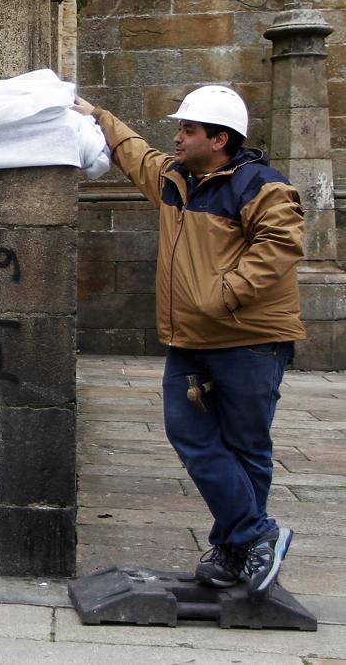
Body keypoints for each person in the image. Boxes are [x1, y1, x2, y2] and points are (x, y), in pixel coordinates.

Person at [73, 86, 304, 601]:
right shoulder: (176, 180)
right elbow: (137, 155)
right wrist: (100, 116)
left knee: (246, 448)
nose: (176, 137)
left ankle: (231, 548)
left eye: (189, 130)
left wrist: (223, 295)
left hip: (250, 340)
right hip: (191, 338)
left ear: (220, 139)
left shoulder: (261, 186)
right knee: (190, 435)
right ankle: (256, 535)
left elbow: (282, 244)